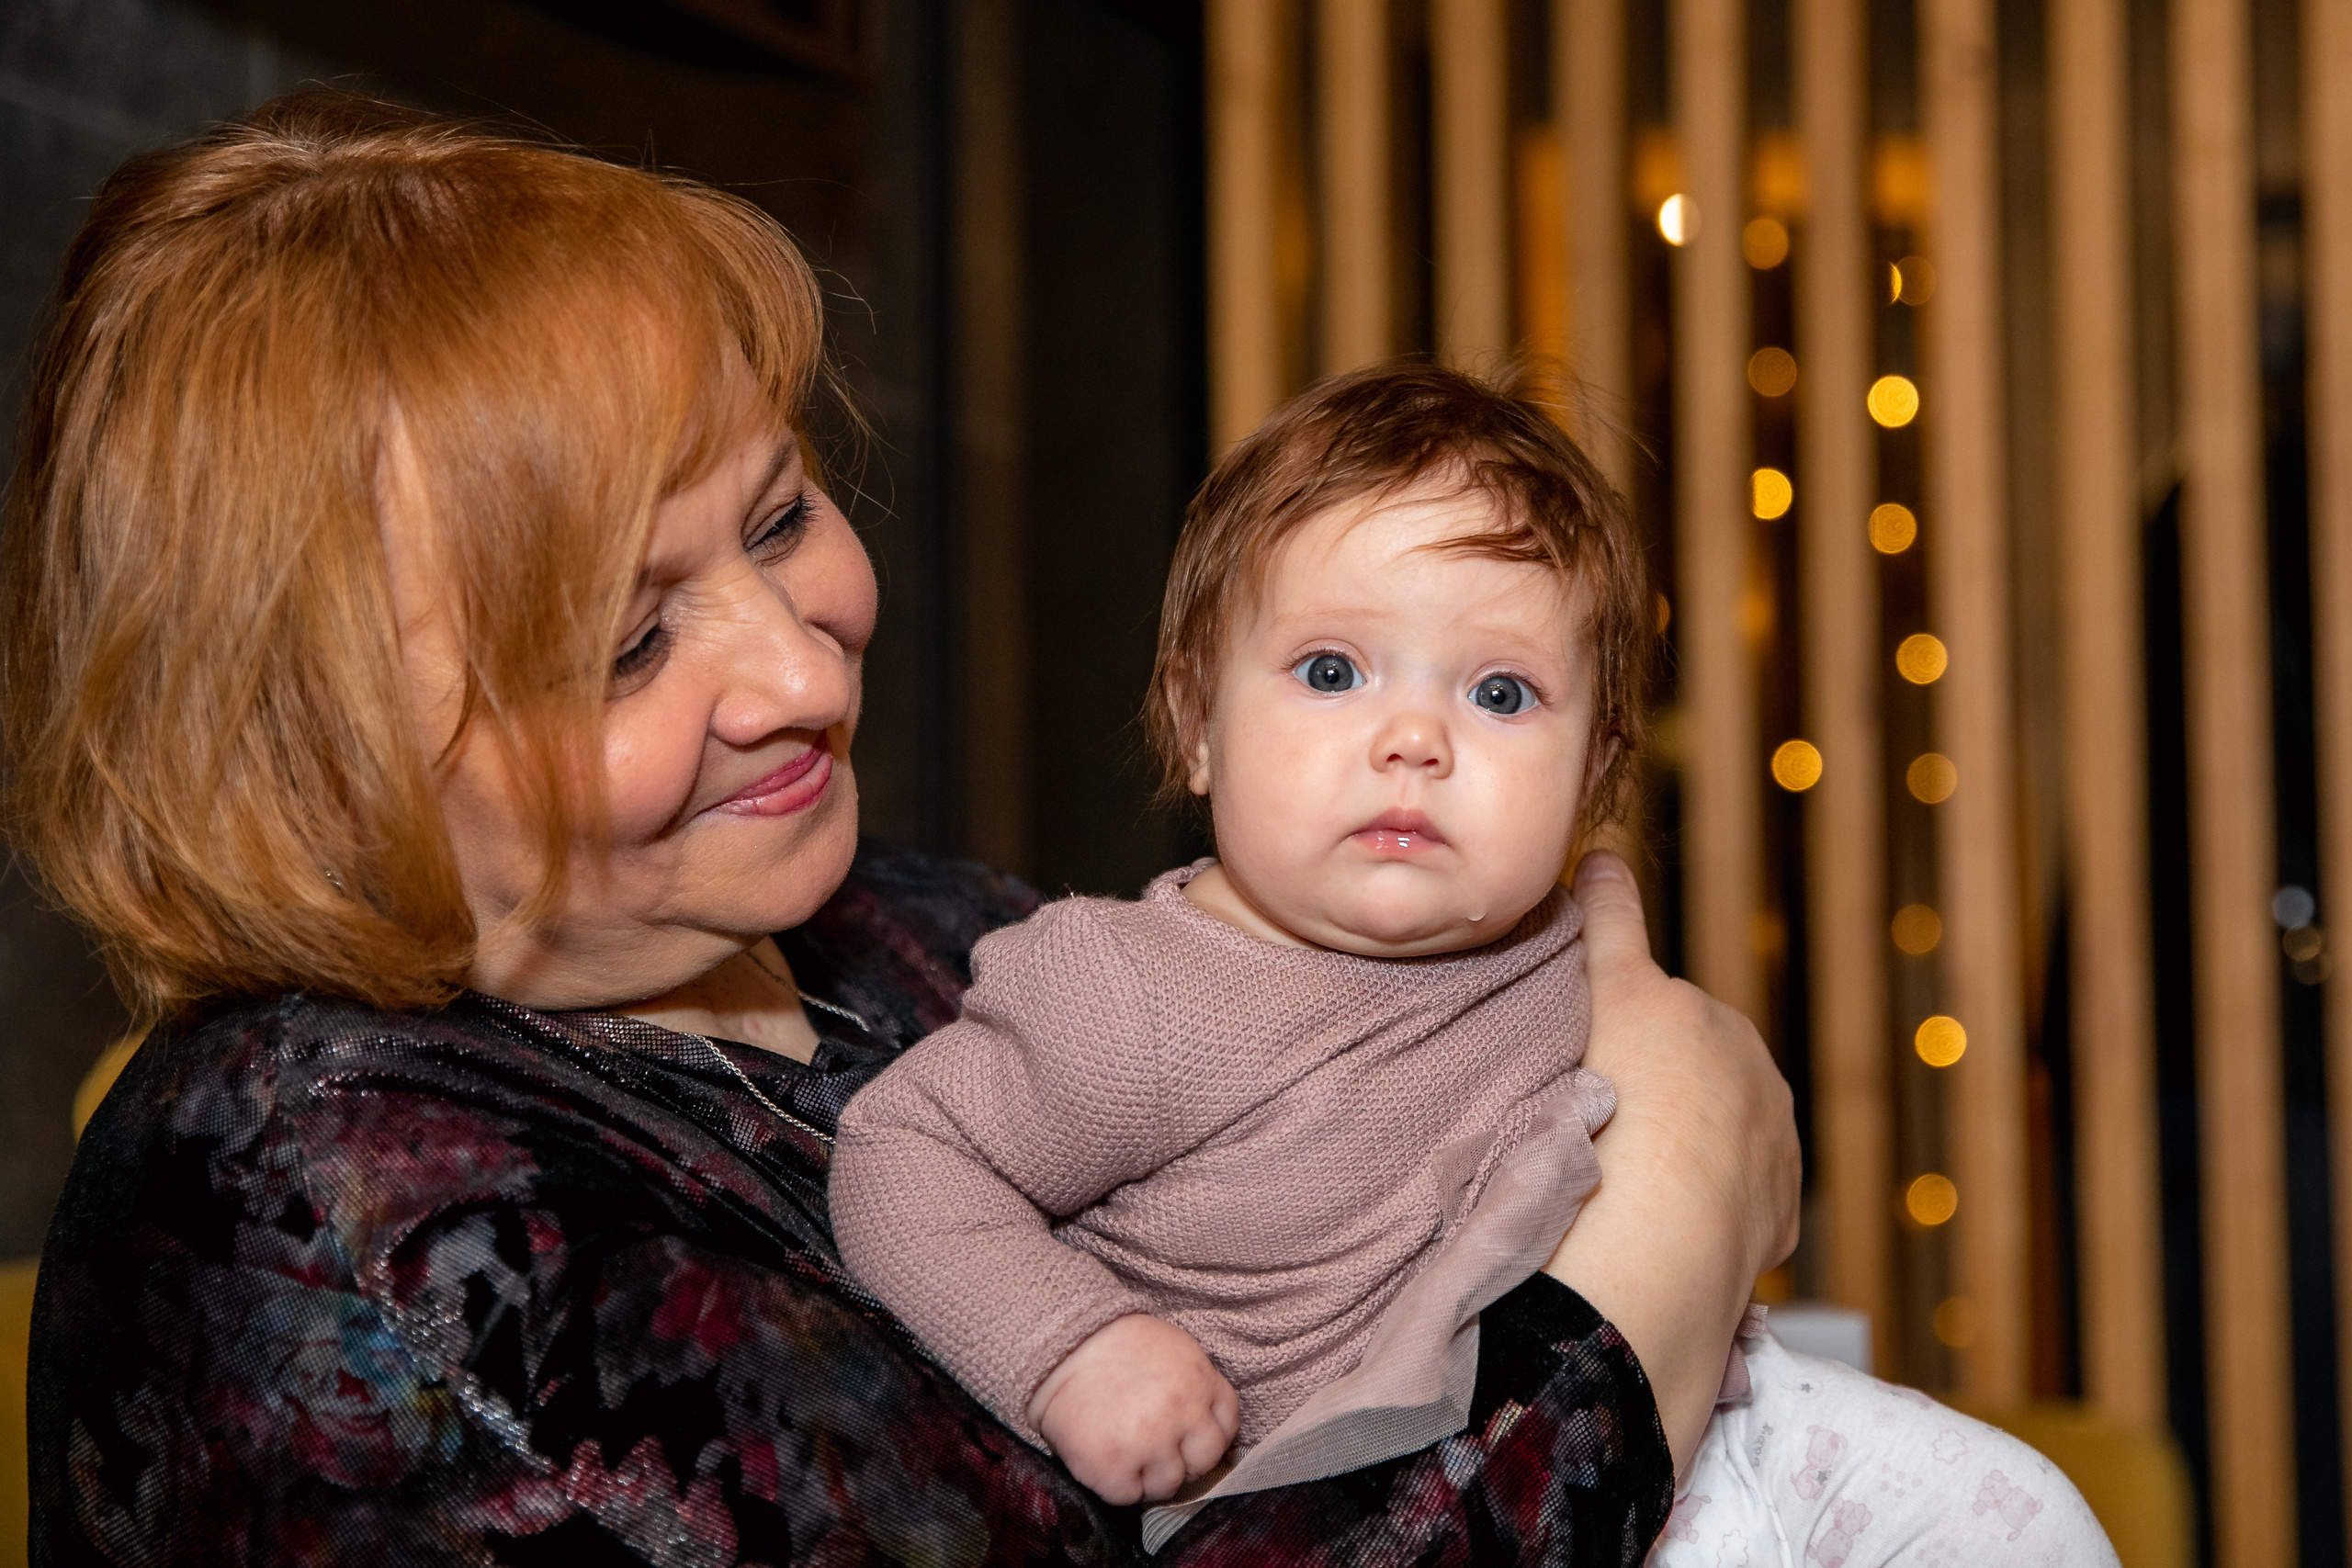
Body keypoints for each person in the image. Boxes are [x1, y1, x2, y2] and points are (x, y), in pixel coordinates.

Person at [8, 93, 1799, 1564]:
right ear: (315, 747)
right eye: (628, 638)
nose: (798, 667)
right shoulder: (321, 1227)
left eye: (781, 518)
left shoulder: (911, 929)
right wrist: (1669, 1203)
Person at [830, 366, 2118, 1565]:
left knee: (2021, 1514)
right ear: (1194, 721)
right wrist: (1074, 1351)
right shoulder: (1129, 994)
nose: (1413, 739)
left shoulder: (1574, 958)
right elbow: (903, 1157)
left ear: (1596, 772)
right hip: (1391, 1496)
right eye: (1332, 671)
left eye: (1500, 695)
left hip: (1699, 1425)